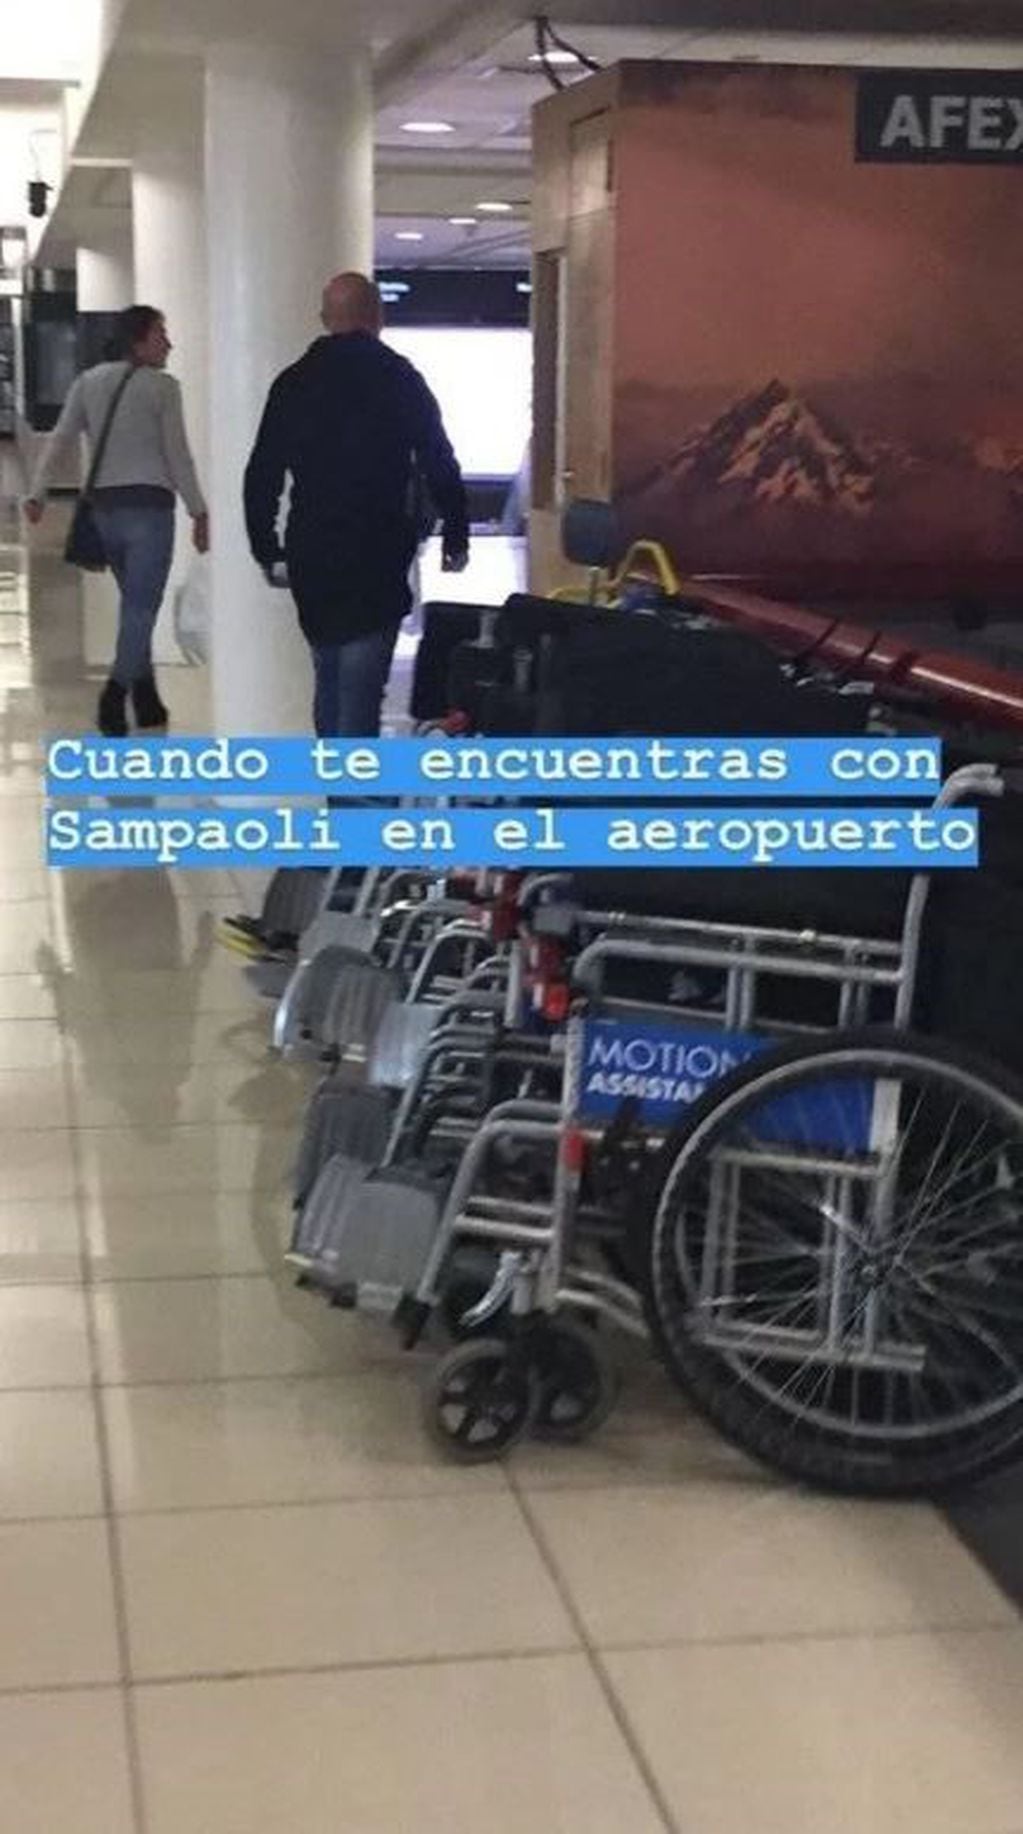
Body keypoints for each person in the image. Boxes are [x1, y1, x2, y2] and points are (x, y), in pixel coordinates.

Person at [244, 272, 469, 738]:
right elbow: (439, 459)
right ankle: (355, 804)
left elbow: (263, 471)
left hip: (314, 555)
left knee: (329, 680)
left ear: (326, 320)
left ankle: (339, 798)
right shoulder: (401, 378)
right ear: (377, 317)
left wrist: (266, 547)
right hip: (378, 553)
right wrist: (456, 535)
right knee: (361, 691)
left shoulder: (294, 382)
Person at [25, 305, 208, 737]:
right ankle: (114, 695)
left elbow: (60, 441)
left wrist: (37, 493)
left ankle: (147, 701)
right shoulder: (164, 387)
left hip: (104, 514)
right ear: (138, 340)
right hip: (151, 513)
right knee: (141, 611)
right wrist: (199, 509)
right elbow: (177, 455)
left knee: (134, 610)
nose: (169, 342)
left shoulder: (88, 382)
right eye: (161, 333)